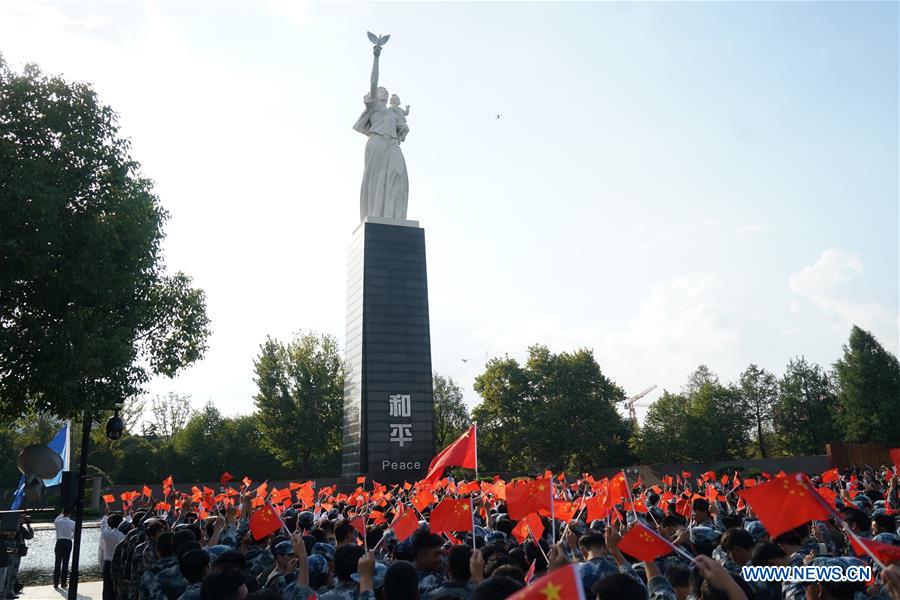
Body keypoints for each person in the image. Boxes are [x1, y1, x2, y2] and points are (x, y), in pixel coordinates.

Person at [353, 43, 410, 221]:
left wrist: (403, 126)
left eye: (386, 90)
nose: (384, 91)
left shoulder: (393, 113)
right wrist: (376, 57)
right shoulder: (375, 107)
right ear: (376, 95)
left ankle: (393, 215)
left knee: (399, 175)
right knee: (376, 179)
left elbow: (402, 129)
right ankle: (375, 215)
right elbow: (373, 82)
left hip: (392, 145)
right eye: (381, 90)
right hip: (376, 142)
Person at [101, 512, 127, 600]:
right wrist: (127, 516)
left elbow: (103, 525)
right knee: (119, 586)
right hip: (119, 564)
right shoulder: (124, 536)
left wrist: (105, 516)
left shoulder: (106, 534)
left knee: (107, 587)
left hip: (108, 563)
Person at [53, 508, 75, 588]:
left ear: (63, 513)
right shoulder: (73, 523)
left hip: (59, 542)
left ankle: (55, 583)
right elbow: (75, 534)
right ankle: (63, 583)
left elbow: (56, 519)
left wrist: (61, 513)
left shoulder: (58, 522)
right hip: (68, 542)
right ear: (70, 514)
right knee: (65, 563)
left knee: (57, 562)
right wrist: (70, 537)